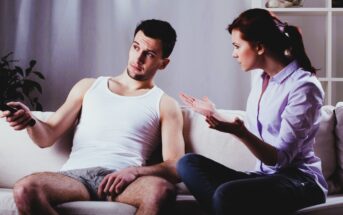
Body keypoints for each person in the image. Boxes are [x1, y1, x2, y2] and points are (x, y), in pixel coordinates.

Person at [0, 19, 185, 215]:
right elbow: (47, 136)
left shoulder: (165, 104)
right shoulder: (88, 86)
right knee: (25, 189)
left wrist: (134, 172)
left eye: (149, 54)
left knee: (162, 191)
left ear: (163, 63)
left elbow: (175, 166)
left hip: (123, 180)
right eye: (135, 47)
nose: (137, 58)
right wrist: (30, 121)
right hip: (76, 177)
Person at [177, 8, 327, 215]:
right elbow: (254, 132)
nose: (234, 53)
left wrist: (239, 133)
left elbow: (280, 159)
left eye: (237, 46)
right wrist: (213, 113)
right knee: (188, 163)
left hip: (299, 181)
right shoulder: (261, 80)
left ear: (259, 47)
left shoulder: (304, 87)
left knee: (225, 194)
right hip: (264, 177)